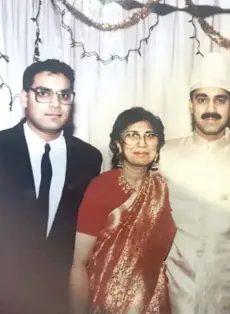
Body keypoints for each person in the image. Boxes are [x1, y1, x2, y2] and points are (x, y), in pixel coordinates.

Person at [159, 52, 230, 314]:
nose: (211, 109)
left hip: (229, 293)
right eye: (202, 99)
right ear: (190, 105)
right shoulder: (165, 155)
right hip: (172, 289)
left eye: (220, 100)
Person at [0, 59, 102, 314]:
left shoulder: (88, 158)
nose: (55, 104)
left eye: (63, 95)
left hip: (59, 301)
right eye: (43, 93)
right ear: (24, 97)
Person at [69, 107, 176, 314]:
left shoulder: (164, 189)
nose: (142, 143)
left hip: (153, 302)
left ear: (158, 145)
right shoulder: (101, 187)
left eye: (150, 136)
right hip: (104, 302)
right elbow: (79, 263)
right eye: (132, 135)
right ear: (118, 144)